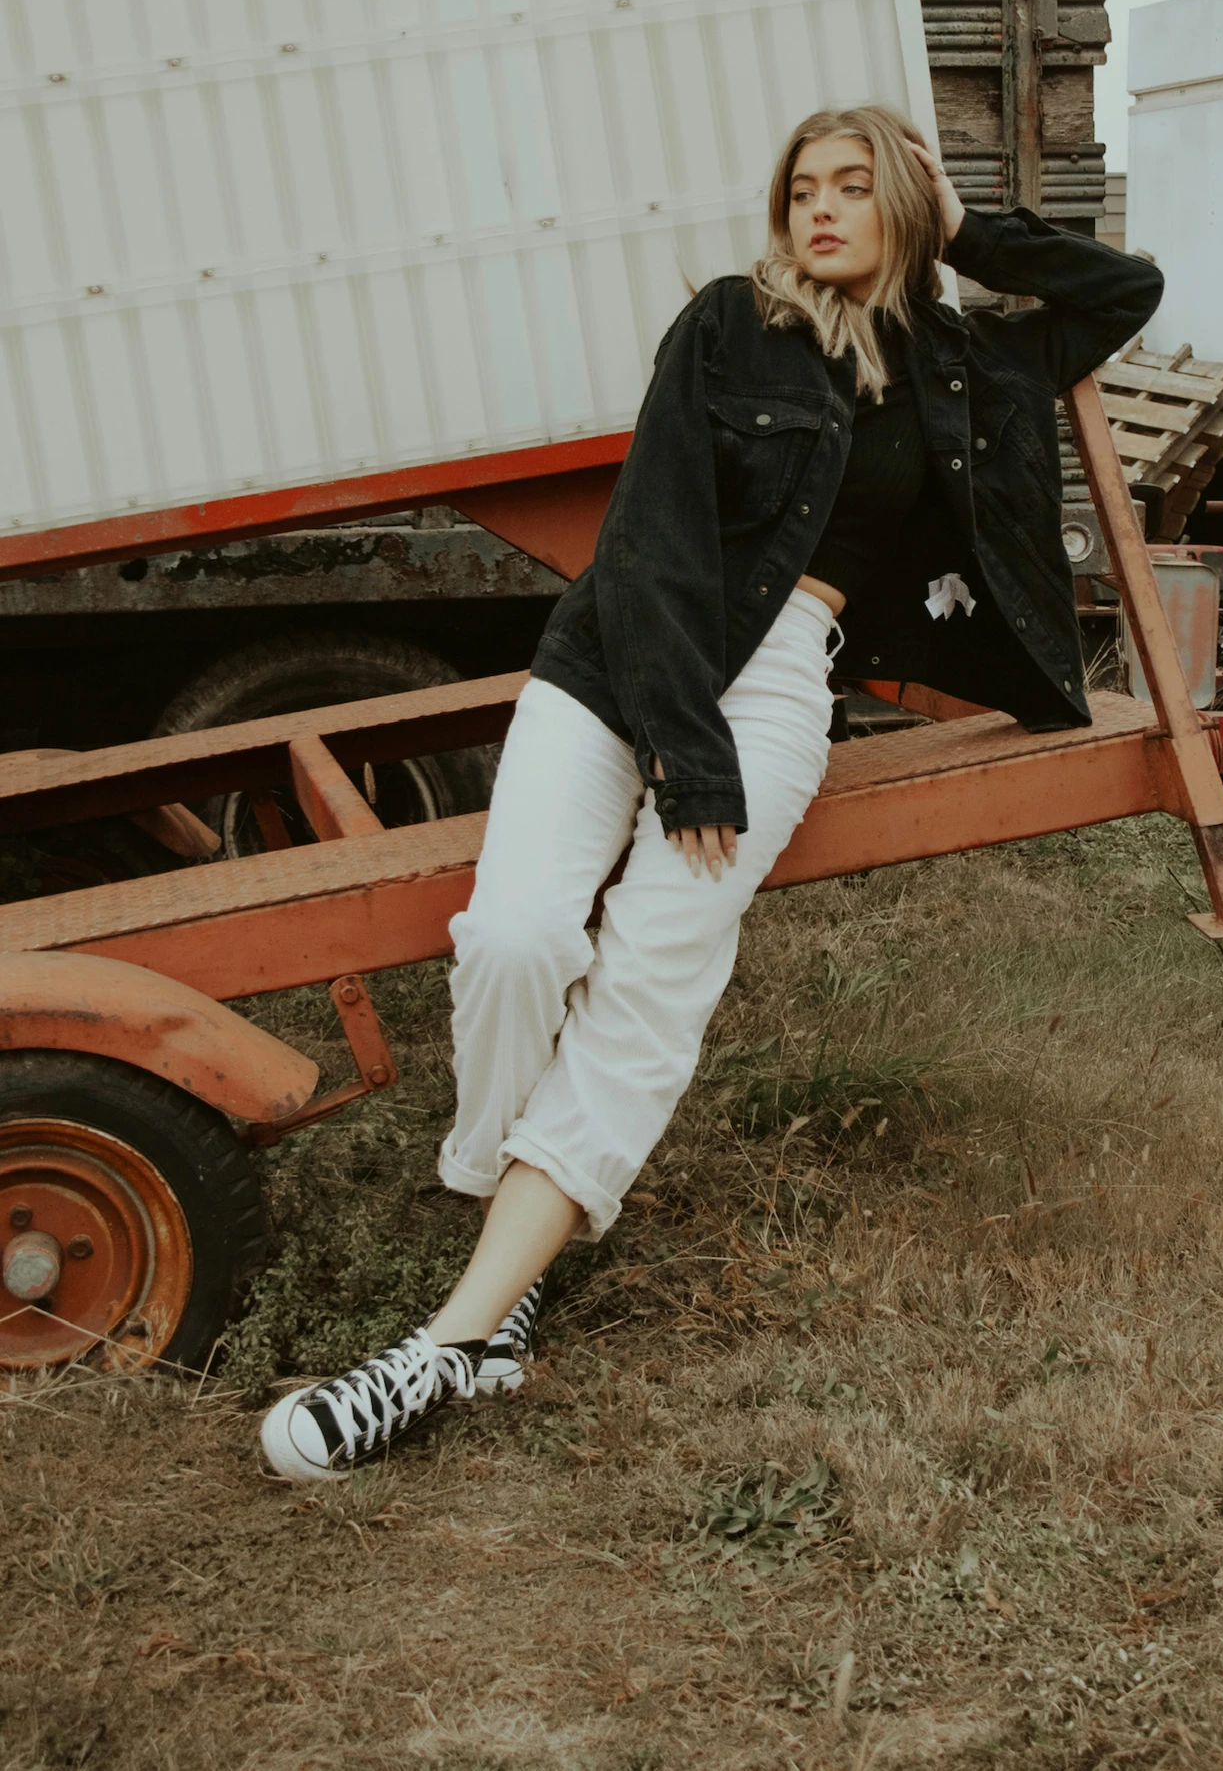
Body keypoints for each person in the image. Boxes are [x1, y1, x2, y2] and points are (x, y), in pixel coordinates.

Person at [261, 106, 1163, 1481]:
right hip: (620, 651)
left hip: (782, 677)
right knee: (514, 940)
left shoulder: (964, 361)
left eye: (855, 188)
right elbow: (656, 535)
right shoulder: (730, 326)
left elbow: (1124, 289)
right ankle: (502, 1207)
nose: (819, 210)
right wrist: (684, 745)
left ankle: (452, 1335)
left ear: (903, 207)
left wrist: (965, 221)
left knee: (651, 975)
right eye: (802, 188)